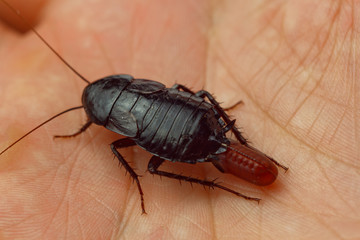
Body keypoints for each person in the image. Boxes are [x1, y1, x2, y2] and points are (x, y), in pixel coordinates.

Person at [0, 0, 358, 239]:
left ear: (102, 120)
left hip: (176, 133)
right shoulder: (125, 90)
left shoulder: (109, 128)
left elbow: (116, 142)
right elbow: (180, 90)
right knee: (198, 98)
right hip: (185, 115)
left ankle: (225, 175)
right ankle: (228, 170)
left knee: (152, 164)